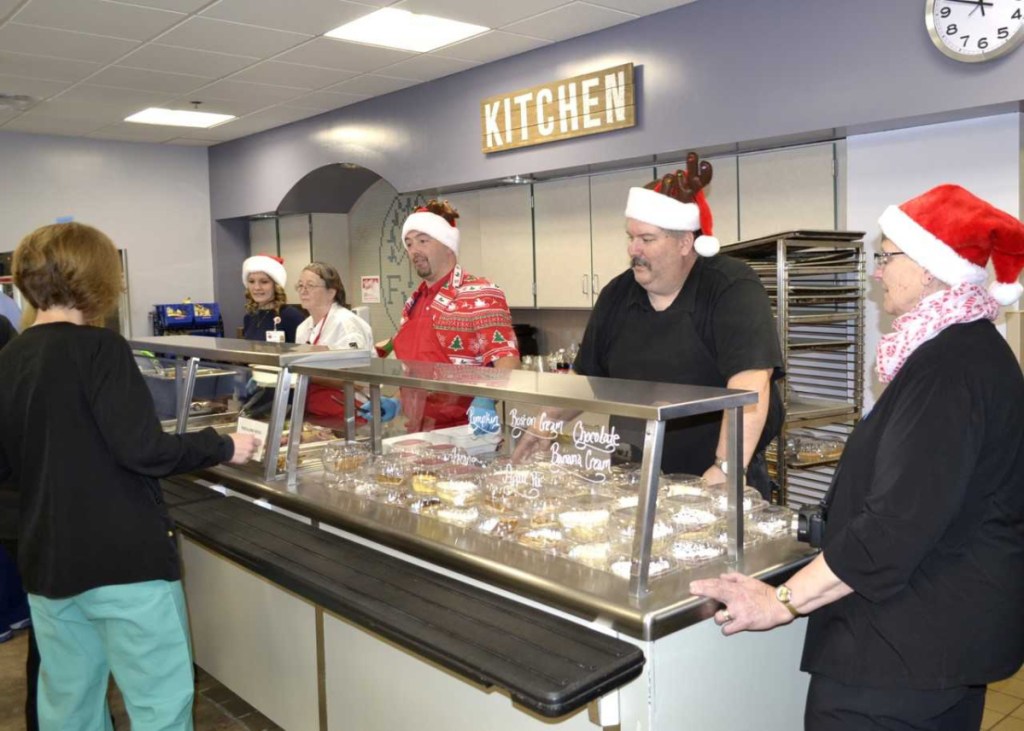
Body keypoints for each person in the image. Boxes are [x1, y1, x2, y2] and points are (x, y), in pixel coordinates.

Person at [690, 184, 1024, 731]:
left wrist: (782, 600)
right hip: (940, 641)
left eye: (887, 256)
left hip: (902, 655)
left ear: (931, 269)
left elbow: (893, 530)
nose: (876, 271)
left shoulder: (948, 370)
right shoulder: (967, 349)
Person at [0, 222, 259, 731]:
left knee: (68, 702)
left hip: (48, 563)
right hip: (124, 561)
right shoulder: (101, 349)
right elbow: (144, 449)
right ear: (98, 279)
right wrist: (224, 445)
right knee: (158, 700)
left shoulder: (10, 357)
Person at [519, 153, 783, 496]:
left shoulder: (730, 287)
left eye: (646, 239)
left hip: (712, 475)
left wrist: (726, 468)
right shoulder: (618, 293)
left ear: (685, 242)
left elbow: (749, 386)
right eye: (630, 237)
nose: (633, 249)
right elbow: (586, 379)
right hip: (631, 476)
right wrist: (545, 425)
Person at [370, 200, 520, 433]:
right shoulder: (414, 302)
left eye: (423, 241)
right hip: (418, 431)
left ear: (448, 245)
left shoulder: (480, 292)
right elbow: (418, 372)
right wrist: (397, 401)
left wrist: (486, 399)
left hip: (465, 432)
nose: (414, 251)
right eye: (408, 244)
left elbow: (507, 359)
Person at [294, 261, 375, 427]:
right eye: (300, 285)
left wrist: (304, 372)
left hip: (351, 412)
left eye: (310, 285)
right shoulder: (303, 328)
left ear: (331, 292)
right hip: (316, 412)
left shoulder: (346, 324)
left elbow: (357, 377)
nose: (303, 290)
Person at [241, 254, 304, 342]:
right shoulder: (249, 317)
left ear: (276, 285)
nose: (257, 287)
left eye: (264, 282)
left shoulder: (291, 316)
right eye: (251, 281)